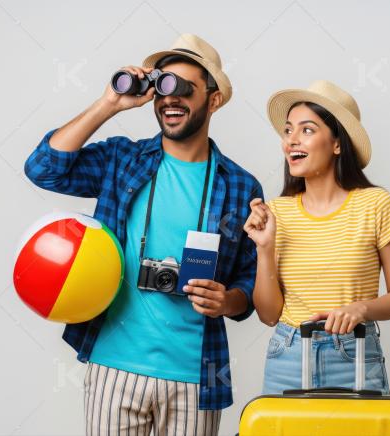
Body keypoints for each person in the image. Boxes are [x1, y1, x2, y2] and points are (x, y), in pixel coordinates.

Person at [25, 34, 261, 435]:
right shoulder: (123, 159)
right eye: (162, 86)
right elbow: (44, 168)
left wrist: (228, 300)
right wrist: (110, 103)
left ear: (214, 99)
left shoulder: (240, 185)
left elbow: (250, 285)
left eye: (184, 88)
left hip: (195, 376)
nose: (170, 98)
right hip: (114, 366)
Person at [243, 80, 390, 394]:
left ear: (337, 143)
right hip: (288, 354)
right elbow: (268, 315)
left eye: (307, 130)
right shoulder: (276, 212)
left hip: (355, 353)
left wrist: (361, 309)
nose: (291, 140)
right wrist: (265, 247)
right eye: (288, 130)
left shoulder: (376, 204)